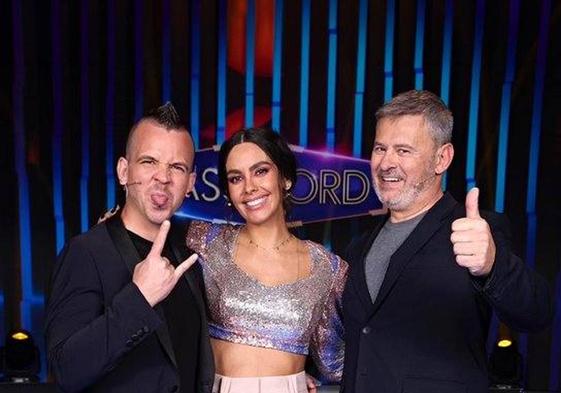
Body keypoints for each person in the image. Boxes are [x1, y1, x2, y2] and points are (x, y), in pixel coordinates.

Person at [341, 90, 553, 393]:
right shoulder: (358, 247)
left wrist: (493, 266)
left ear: (442, 158)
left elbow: (537, 313)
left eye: (403, 151)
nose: (386, 163)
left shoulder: (477, 232)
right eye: (380, 148)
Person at [45, 103, 214, 393]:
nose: (163, 177)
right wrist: (139, 298)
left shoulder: (187, 255)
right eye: (149, 162)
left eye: (177, 167)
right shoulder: (86, 252)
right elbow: (66, 370)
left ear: (190, 183)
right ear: (124, 171)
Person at [186, 127, 347, 393]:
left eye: (261, 171)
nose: (249, 187)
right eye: (236, 178)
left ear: (285, 178)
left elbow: (336, 361)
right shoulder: (203, 241)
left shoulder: (327, 268)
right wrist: (114, 226)